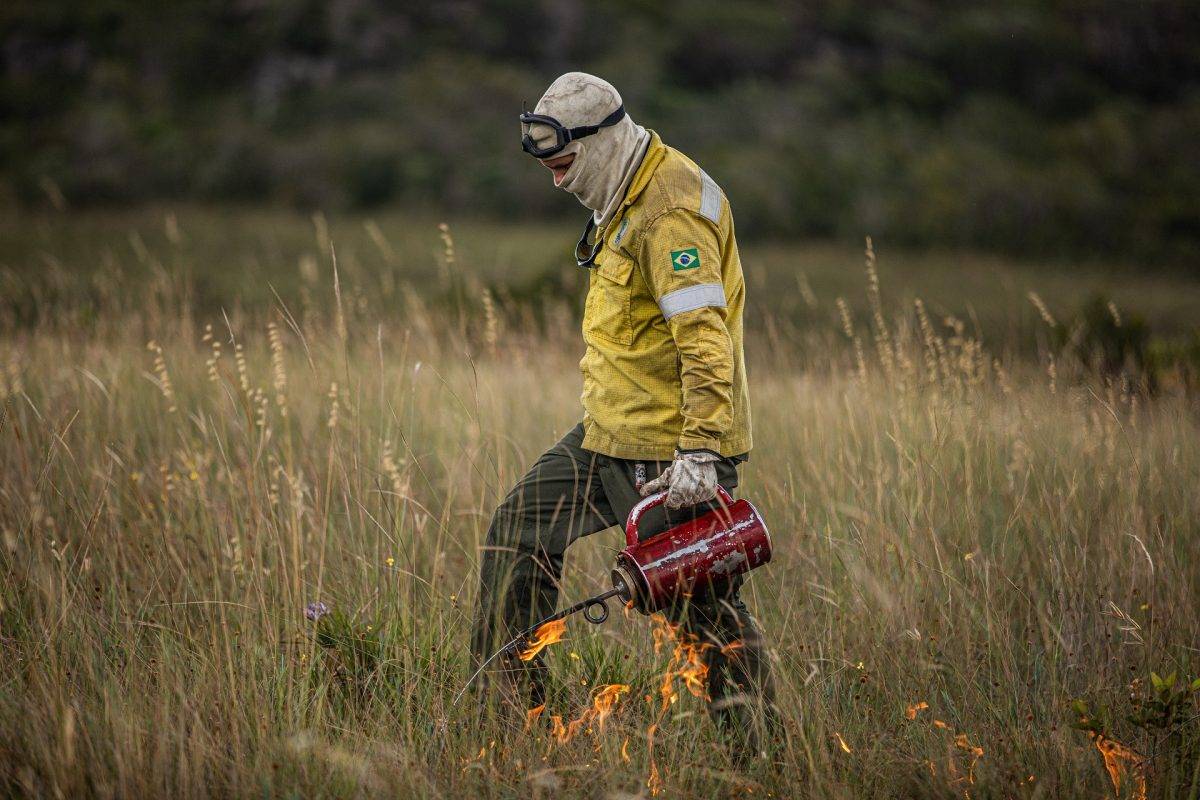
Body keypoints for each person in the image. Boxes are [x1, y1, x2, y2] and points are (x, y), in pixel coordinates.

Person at [471, 72, 777, 758]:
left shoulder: (669, 212)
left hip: (670, 452)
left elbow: (704, 338)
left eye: (563, 164)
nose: (557, 180)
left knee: (702, 614)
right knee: (517, 532)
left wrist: (700, 451)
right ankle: (513, 721)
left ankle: (758, 760)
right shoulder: (628, 189)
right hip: (607, 434)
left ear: (601, 141)